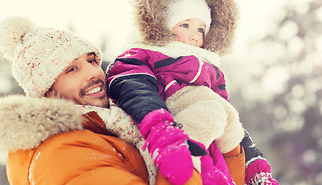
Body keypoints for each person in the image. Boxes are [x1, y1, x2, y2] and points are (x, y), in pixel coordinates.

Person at [105, 0, 279, 185]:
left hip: (213, 152)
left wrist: (256, 169)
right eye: (185, 25)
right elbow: (137, 93)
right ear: (160, 25)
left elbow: (231, 124)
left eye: (200, 29)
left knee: (220, 113)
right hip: (167, 141)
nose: (194, 36)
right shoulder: (141, 55)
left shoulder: (209, 70)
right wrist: (166, 137)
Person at [0, 16, 221, 185]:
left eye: (91, 60)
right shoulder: (61, 152)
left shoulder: (112, 128)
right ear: (45, 91)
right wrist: (187, 151)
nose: (94, 73)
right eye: (72, 69)